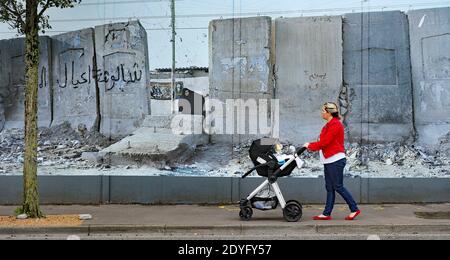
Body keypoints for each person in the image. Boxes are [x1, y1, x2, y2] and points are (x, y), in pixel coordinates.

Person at [304, 102, 361, 221]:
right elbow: (322, 141)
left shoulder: (335, 125)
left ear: (329, 112)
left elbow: (325, 142)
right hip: (329, 161)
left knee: (338, 186)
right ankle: (326, 213)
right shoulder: (327, 125)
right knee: (329, 187)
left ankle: (354, 209)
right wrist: (312, 145)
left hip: (335, 160)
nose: (322, 113)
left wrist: (309, 145)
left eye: (323, 111)